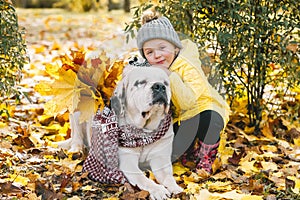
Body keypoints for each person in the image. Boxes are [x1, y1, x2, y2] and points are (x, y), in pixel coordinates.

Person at [134, 12, 231, 174]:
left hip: (204, 108)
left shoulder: (187, 65)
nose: (157, 55)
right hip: (182, 118)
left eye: (162, 48)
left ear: (175, 47)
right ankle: (190, 148)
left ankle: (206, 155)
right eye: (149, 52)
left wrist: (169, 76)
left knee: (210, 120)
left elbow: (188, 102)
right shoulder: (153, 69)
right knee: (168, 153)